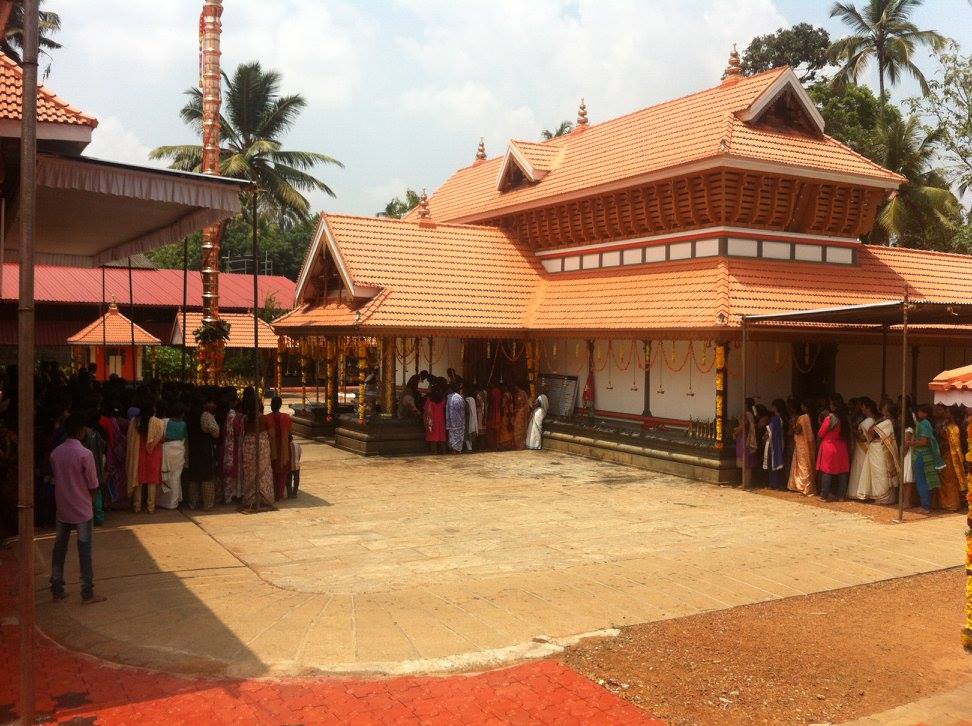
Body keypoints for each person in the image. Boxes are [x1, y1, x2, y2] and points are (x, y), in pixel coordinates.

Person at [49, 414, 106, 603]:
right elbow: (93, 483)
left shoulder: (56, 453)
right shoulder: (85, 454)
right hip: (82, 508)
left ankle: (57, 587)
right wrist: (89, 500)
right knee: (85, 550)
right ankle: (87, 592)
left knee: (60, 548)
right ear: (81, 432)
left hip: (63, 507)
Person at [239, 388, 275, 511]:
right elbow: (272, 434)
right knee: (263, 472)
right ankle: (264, 498)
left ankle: (250, 498)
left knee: (250, 473)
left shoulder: (245, 419)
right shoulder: (264, 419)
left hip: (248, 446)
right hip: (262, 447)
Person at [126, 402, 164, 513]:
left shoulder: (134, 421)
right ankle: (151, 507)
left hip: (138, 454)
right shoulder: (158, 423)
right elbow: (161, 439)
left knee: (138, 480)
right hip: (154, 455)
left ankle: (137, 506)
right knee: (152, 481)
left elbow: (129, 438)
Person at [186, 392, 220, 510]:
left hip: (192, 447)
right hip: (204, 447)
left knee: (194, 476)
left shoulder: (189, 415)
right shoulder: (206, 415)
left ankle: (192, 503)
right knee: (207, 476)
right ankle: (207, 503)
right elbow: (216, 433)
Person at [911, 404, 944, 514]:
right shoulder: (927, 423)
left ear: (925, 413)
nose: (918, 413)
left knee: (922, 481)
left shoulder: (924, 424)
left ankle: (925, 506)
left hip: (922, 456)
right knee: (927, 481)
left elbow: (924, 441)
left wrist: (911, 443)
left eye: (920, 411)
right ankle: (926, 505)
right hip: (927, 455)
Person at [817, 396, 851, 501]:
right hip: (842, 447)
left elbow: (821, 433)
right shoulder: (845, 417)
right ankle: (841, 496)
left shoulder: (830, 418)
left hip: (829, 446)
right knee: (842, 472)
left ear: (833, 405)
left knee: (827, 471)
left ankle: (824, 495)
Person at [866, 399, 900, 505]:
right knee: (887, 473)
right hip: (887, 450)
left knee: (882, 474)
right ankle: (888, 498)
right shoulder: (891, 421)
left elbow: (870, 431)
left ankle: (883, 498)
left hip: (883, 450)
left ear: (887, 410)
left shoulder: (887, 422)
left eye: (884, 407)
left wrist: (876, 423)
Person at [157, 402, 187, 510]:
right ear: (182, 414)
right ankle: (173, 502)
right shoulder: (183, 424)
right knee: (176, 476)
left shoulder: (164, 422)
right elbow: (184, 439)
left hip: (166, 450)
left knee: (165, 475)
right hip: (178, 451)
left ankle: (162, 501)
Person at [935, 404, 964, 512]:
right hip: (945, 455)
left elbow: (952, 444)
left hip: (950, 456)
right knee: (944, 479)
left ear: (950, 413)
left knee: (949, 480)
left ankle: (952, 504)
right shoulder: (946, 425)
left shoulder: (953, 427)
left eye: (946, 411)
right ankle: (945, 503)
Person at [847, 398, 876, 500]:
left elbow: (863, 438)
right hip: (862, 449)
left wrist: (854, 431)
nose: (861, 408)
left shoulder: (869, 421)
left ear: (868, 408)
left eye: (863, 406)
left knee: (861, 469)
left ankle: (861, 493)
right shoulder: (871, 420)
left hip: (863, 449)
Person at [786, 400, 816, 496]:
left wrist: (793, 425)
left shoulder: (802, 418)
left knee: (802, 465)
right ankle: (807, 486)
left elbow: (798, 430)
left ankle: (804, 487)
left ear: (804, 407)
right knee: (809, 464)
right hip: (810, 443)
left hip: (802, 444)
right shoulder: (812, 416)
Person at [267, 396, 293, 501]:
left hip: (271, 447)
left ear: (271, 405)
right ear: (280, 405)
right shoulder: (287, 417)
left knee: (272, 471)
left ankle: (273, 492)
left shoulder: (267, 417)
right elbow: (290, 433)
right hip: (283, 448)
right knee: (282, 472)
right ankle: (280, 494)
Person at [763, 399, 786, 489]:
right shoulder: (782, 418)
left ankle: (773, 483)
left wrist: (765, 436)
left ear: (776, 407)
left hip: (773, 443)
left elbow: (770, 431)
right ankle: (776, 483)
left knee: (772, 463)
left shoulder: (776, 418)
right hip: (779, 442)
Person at [734, 397, 758, 472]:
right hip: (744, 436)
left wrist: (736, 431)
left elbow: (744, 425)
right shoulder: (751, 414)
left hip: (745, 437)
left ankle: (746, 480)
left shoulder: (747, 414)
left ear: (746, 404)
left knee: (746, 459)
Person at [424, 383, 447, 454]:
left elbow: (426, 411)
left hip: (433, 421)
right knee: (441, 435)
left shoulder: (429, 401)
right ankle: (443, 450)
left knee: (433, 436)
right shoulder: (442, 401)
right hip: (441, 421)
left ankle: (434, 451)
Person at [445, 383, 466, 453]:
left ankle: (454, 449)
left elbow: (447, 409)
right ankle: (458, 449)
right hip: (460, 420)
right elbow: (463, 409)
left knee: (453, 435)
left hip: (451, 421)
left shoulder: (449, 397)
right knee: (459, 435)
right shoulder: (461, 398)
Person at [512, 386, 531, 451]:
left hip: (521, 413)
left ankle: (521, 445)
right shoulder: (516, 394)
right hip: (518, 413)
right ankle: (517, 445)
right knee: (516, 428)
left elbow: (522, 403)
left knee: (520, 429)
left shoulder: (522, 393)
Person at [486, 382, 503, 450]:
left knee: (493, 431)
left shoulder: (493, 392)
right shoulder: (499, 391)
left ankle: (494, 446)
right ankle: (497, 445)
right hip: (497, 412)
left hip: (493, 412)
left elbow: (490, 401)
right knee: (497, 430)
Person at [463, 384, 479, 452]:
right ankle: (470, 447)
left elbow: (466, 410)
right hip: (473, 418)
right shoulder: (472, 399)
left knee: (467, 434)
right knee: (470, 434)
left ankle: (469, 448)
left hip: (467, 418)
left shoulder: (467, 400)